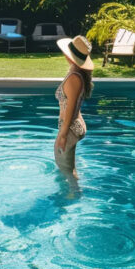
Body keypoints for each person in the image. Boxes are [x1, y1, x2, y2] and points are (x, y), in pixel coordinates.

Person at [54, 35, 94, 177]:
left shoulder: (74, 78)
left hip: (70, 128)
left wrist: (63, 135)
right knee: (68, 167)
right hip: (73, 126)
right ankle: (72, 192)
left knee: (67, 170)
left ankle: (74, 195)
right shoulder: (77, 74)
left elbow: (70, 107)